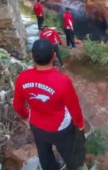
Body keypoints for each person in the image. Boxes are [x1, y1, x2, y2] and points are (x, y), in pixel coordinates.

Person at [13, 39, 85, 170]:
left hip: (36, 124)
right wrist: (80, 123)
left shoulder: (22, 77)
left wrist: (26, 116)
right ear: (53, 56)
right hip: (61, 129)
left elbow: (18, 105)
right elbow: (74, 108)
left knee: (44, 153)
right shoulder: (63, 81)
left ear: (32, 56)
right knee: (69, 152)